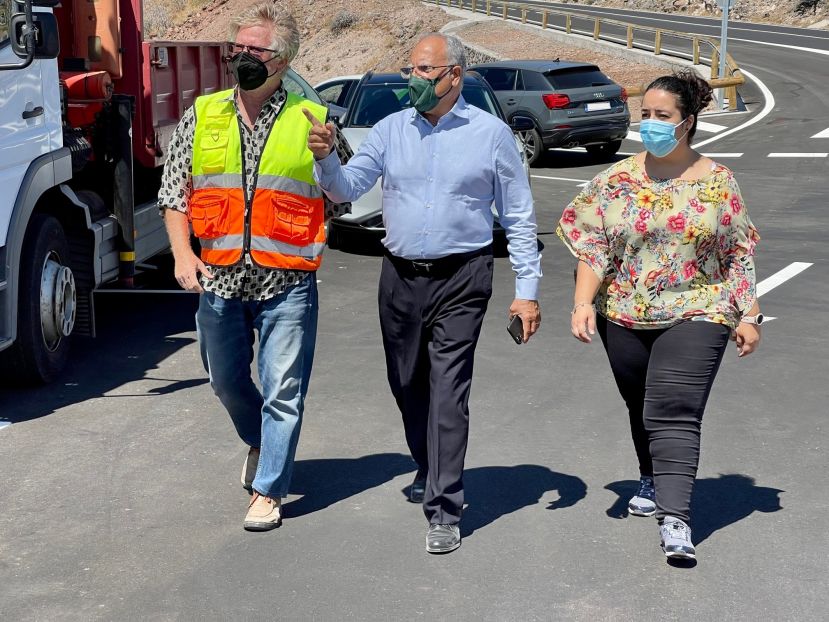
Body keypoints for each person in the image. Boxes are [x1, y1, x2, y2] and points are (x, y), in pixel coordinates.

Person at [305, 33, 542, 554]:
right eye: (411, 68)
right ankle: (428, 463)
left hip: (464, 277)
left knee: (448, 390)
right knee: (407, 381)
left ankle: (445, 508)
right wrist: (325, 159)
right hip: (400, 277)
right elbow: (346, 188)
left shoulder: (491, 135)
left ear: (455, 75)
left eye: (425, 71)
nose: (413, 79)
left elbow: (520, 218)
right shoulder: (390, 130)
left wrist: (526, 292)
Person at [557, 70, 761, 561]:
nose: (649, 123)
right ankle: (650, 474)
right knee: (642, 405)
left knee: (673, 409)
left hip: (700, 306)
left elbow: (738, 252)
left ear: (686, 122)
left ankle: (676, 519)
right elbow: (593, 247)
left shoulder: (718, 182)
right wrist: (583, 303)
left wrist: (749, 314)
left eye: (661, 115)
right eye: (645, 114)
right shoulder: (616, 181)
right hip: (624, 309)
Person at [159, 2, 348, 531]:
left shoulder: (312, 119)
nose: (241, 56)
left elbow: (343, 196)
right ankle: (261, 441)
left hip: (287, 281)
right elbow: (174, 191)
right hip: (219, 278)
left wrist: (328, 155)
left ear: (282, 61)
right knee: (224, 380)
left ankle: (269, 490)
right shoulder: (204, 113)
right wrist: (182, 253)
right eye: (237, 48)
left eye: (254, 50)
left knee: (284, 390)